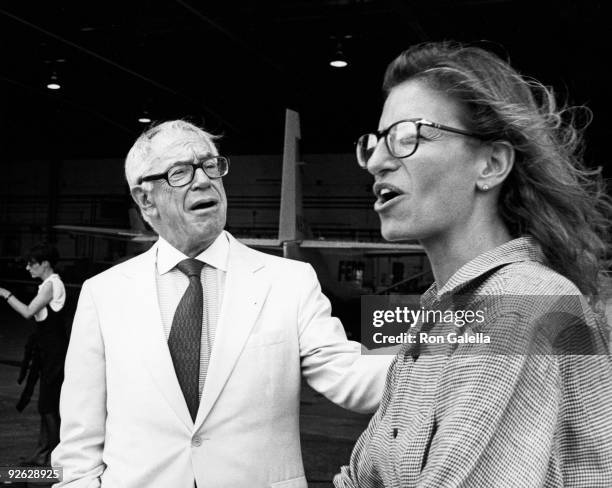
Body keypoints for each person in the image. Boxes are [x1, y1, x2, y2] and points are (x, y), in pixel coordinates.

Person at [51, 120, 392, 488]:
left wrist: (453, 344)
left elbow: (352, 375)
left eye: (210, 165)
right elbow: (79, 441)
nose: (202, 180)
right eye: (179, 172)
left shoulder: (290, 281)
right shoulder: (103, 293)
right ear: (145, 200)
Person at [335, 42, 612, 487]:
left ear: (492, 164)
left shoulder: (525, 308)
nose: (378, 163)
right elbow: (359, 473)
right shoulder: (441, 312)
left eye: (409, 136)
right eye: (376, 142)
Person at [0, 243, 68, 466]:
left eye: (32, 264)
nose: (28, 268)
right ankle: (42, 454)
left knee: (48, 406)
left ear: (45, 264)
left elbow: (28, 312)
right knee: (46, 406)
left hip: (55, 355)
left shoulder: (51, 285)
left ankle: (55, 460)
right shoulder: (47, 285)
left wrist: (5, 294)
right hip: (48, 354)